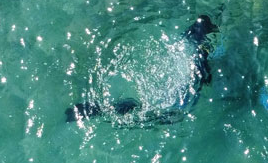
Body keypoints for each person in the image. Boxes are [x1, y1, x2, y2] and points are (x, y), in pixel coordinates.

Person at [66, 14, 219, 126]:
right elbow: (204, 78)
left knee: (137, 108)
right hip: (177, 98)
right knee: (151, 112)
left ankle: (93, 110)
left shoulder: (183, 39)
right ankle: (98, 111)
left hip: (167, 82)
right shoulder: (201, 49)